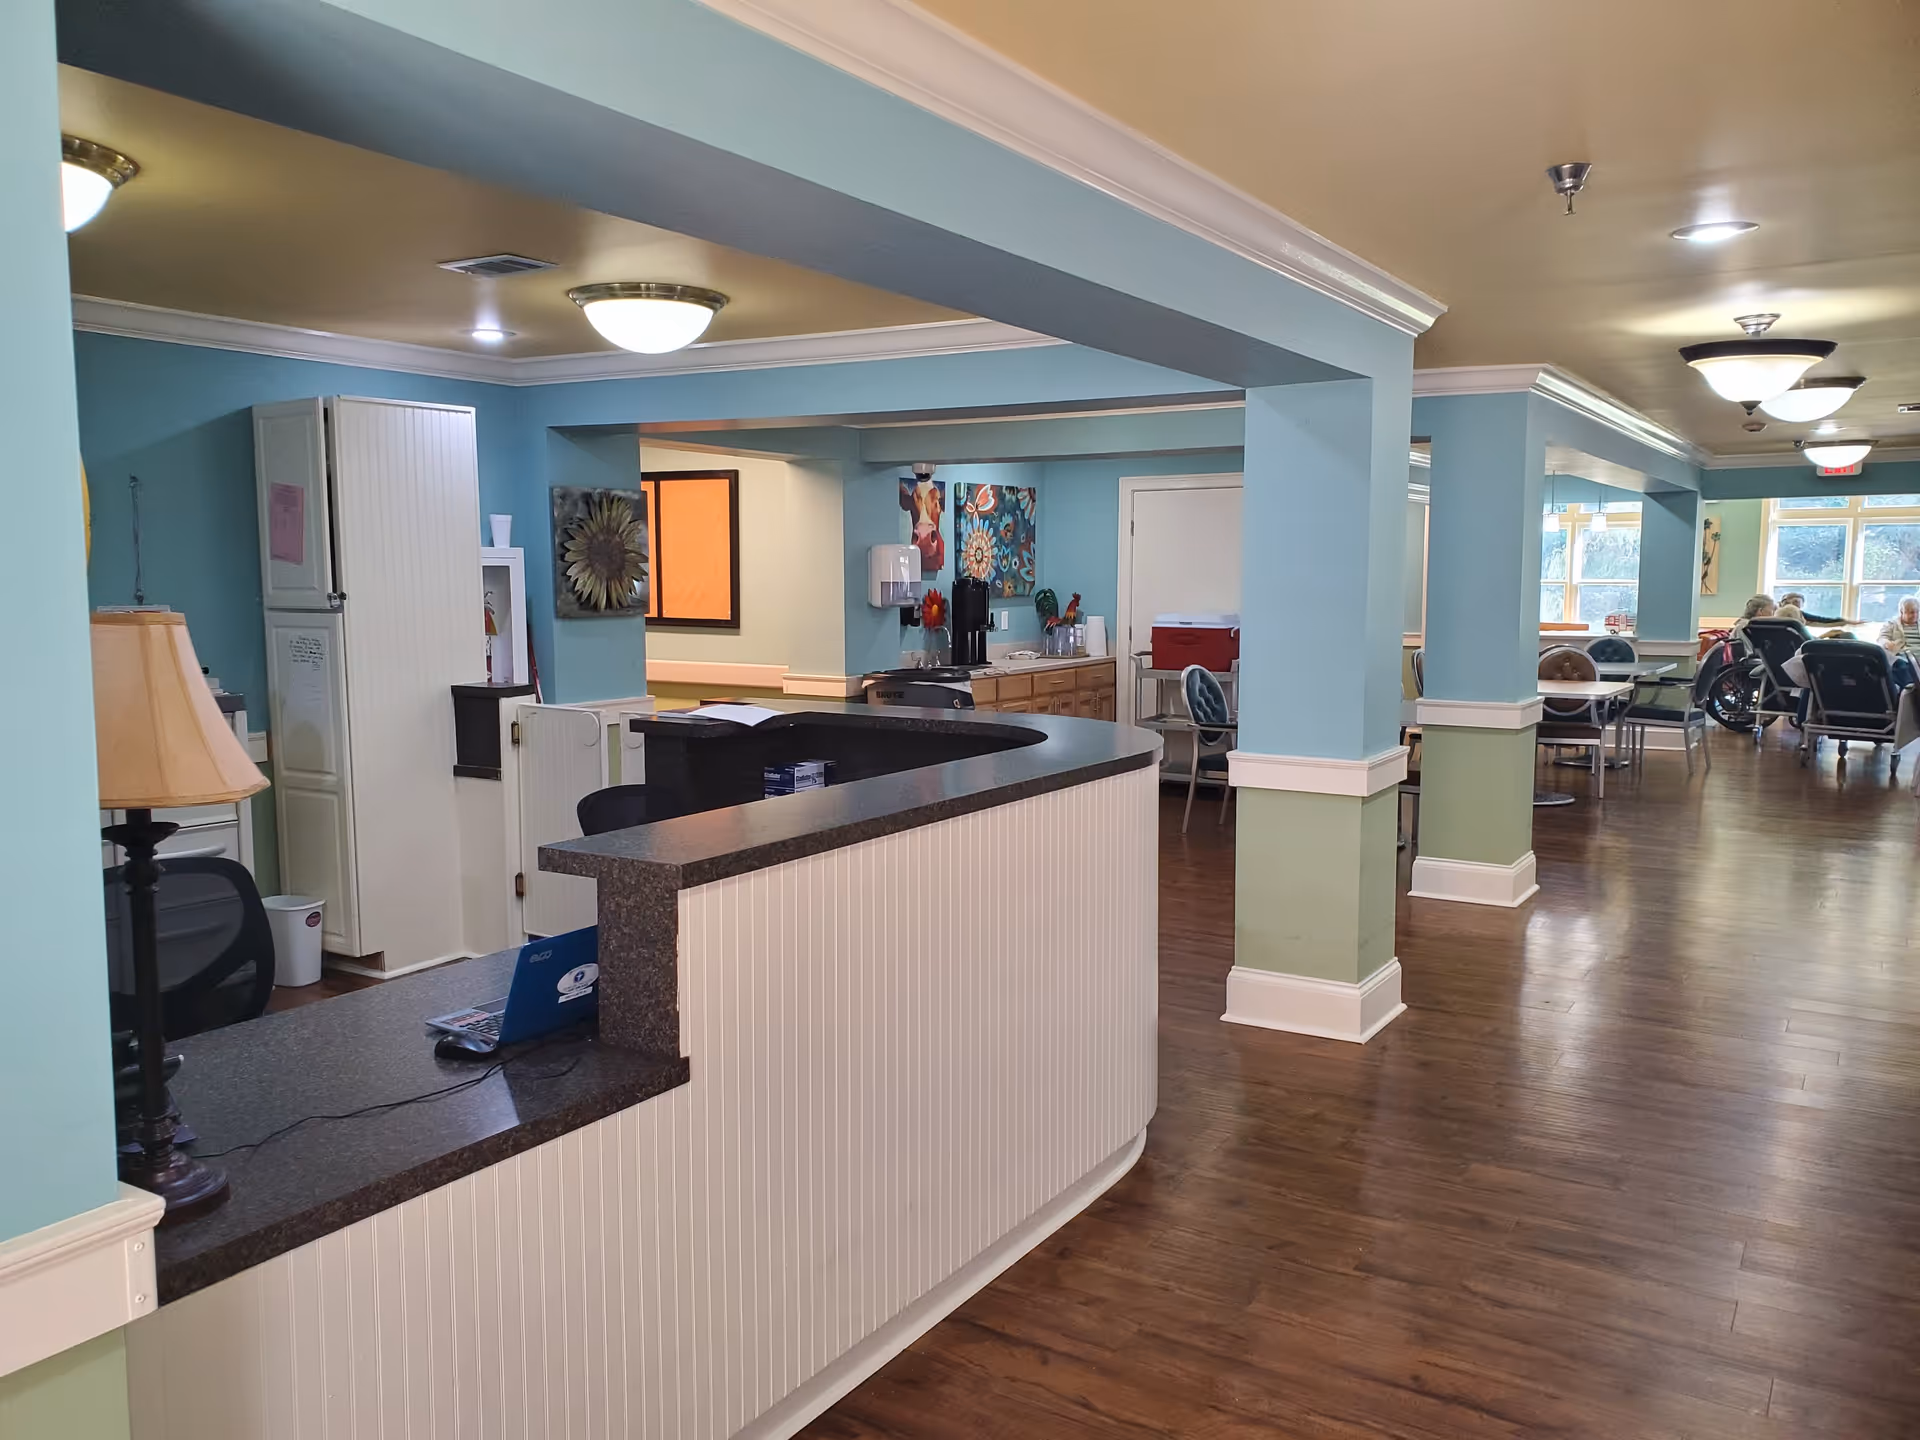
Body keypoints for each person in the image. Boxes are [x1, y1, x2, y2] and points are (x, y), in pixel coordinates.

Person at [1877, 597, 1920, 690]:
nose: (1915, 615)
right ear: (1901, 612)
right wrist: (1887, 643)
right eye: (1912, 612)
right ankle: (1913, 692)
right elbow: (1881, 638)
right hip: (1903, 657)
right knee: (1900, 666)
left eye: (1917, 612)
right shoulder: (1891, 624)